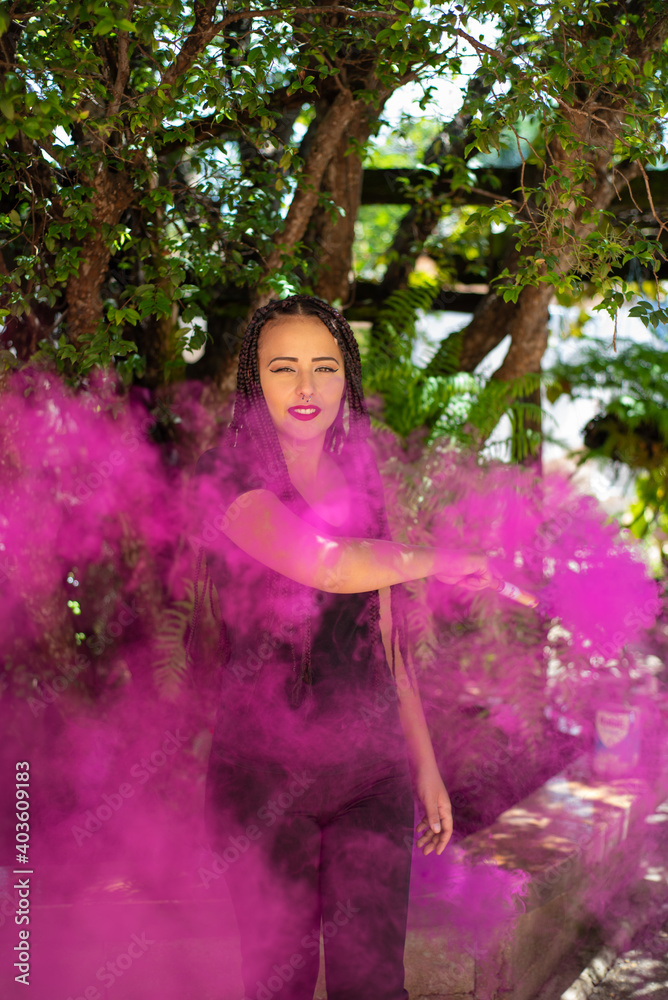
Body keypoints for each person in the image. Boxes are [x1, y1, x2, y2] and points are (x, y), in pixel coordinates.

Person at [189, 294, 493, 1000]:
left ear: (345, 378)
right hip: (262, 780)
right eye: (284, 368)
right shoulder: (225, 474)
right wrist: (443, 557)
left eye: (325, 368)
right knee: (279, 983)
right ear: (252, 380)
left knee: (376, 984)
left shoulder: (362, 480)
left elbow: (385, 635)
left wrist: (423, 765)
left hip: (371, 775)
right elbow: (325, 563)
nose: (306, 388)